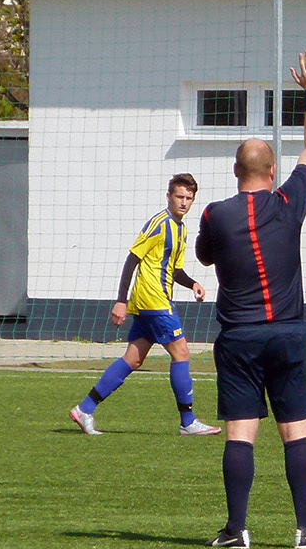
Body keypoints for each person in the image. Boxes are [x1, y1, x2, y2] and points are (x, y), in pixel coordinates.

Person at [196, 51, 306, 549]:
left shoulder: (215, 214)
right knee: (296, 432)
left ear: (236, 171)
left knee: (240, 433)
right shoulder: (288, 203)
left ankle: (237, 529)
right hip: (288, 335)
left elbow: (204, 257)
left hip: (239, 339)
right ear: (273, 171)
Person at [69, 174, 220, 437]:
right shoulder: (159, 223)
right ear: (168, 196)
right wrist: (121, 300)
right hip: (154, 300)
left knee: (133, 359)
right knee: (182, 353)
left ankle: (85, 409)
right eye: (179, 196)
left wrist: (192, 283)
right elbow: (132, 259)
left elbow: (174, 269)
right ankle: (187, 421)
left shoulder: (181, 229)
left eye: (189, 198)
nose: (184, 202)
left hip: (153, 301)